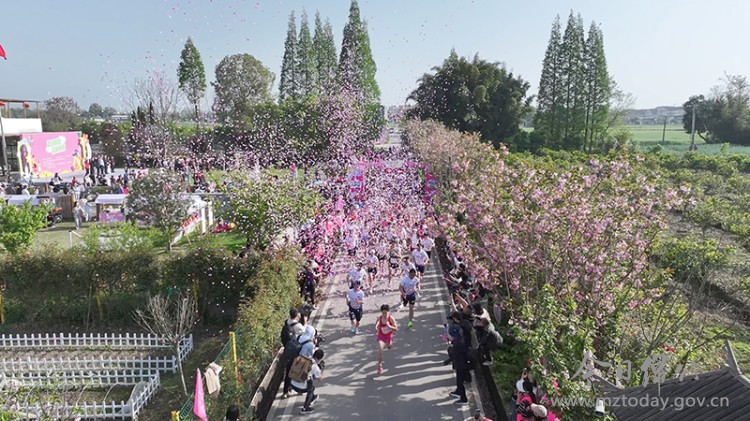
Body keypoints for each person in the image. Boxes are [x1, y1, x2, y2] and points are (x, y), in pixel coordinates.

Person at [292, 348, 325, 415]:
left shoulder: (305, 358)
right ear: (320, 359)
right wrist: (321, 370)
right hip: (300, 388)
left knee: (309, 380)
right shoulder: (314, 367)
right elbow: (320, 379)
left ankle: (312, 398)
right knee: (311, 387)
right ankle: (305, 408)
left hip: (292, 384)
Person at [375, 304, 398, 375]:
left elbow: (396, 329)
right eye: (383, 313)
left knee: (389, 347)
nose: (384, 314)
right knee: (380, 351)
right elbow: (377, 323)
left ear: (388, 312)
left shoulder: (391, 318)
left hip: (388, 336)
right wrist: (376, 328)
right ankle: (380, 366)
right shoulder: (379, 317)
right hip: (381, 336)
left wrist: (389, 326)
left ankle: (390, 342)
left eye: (386, 313)